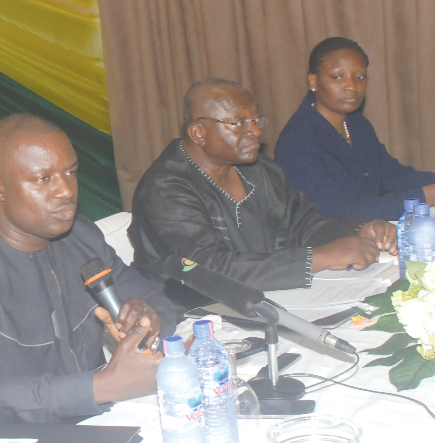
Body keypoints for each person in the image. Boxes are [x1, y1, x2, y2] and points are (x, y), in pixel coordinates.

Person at [0, 114, 177, 443]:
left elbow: (156, 299)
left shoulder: (81, 236)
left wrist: (147, 320)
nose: (66, 190)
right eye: (43, 178)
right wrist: (102, 387)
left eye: (71, 171)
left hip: (85, 433)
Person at [129, 78, 398, 313]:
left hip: (267, 301)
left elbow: (303, 222)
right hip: (192, 317)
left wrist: (360, 229)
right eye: (239, 123)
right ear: (199, 133)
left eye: (256, 120)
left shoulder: (259, 170)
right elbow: (208, 268)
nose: (255, 131)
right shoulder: (164, 188)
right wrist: (319, 258)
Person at [275, 37, 435, 221]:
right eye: (338, 77)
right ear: (314, 81)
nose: (352, 86)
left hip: (370, 232)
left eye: (359, 76)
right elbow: (337, 211)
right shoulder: (296, 142)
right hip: (332, 243)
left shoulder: (356, 123)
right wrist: (428, 196)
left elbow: (391, 175)